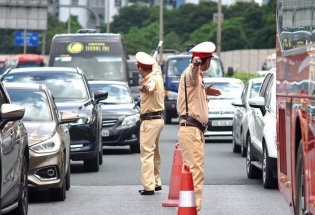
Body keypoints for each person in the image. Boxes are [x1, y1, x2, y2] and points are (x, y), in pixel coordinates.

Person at [177, 41, 221, 211]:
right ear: (207, 61)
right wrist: (195, 64)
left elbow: (193, 85)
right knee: (195, 173)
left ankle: (189, 209)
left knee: (191, 172)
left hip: (193, 131)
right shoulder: (192, 72)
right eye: (209, 60)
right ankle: (192, 209)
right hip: (191, 131)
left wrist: (205, 91)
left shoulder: (198, 79)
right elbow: (192, 74)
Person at [136, 51, 165, 195]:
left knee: (146, 154)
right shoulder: (157, 75)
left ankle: (149, 186)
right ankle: (156, 182)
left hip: (149, 120)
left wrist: (145, 88)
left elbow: (150, 87)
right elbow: (156, 67)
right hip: (158, 120)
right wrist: (152, 59)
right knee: (155, 153)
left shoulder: (151, 80)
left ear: (141, 69)